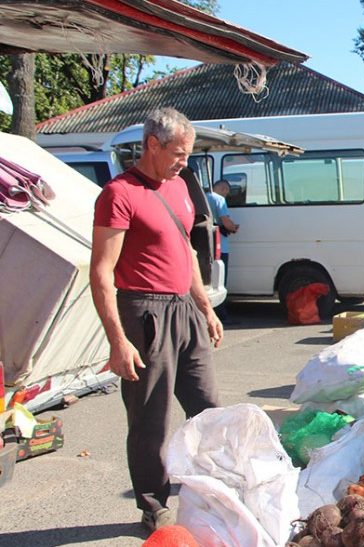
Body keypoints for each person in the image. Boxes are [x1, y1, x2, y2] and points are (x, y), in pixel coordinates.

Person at [90, 107, 223, 532]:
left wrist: (205, 308)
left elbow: (186, 252)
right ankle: (153, 505)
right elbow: (101, 271)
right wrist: (117, 340)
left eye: (187, 153)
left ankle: (217, 487)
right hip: (144, 311)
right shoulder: (119, 193)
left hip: (185, 307)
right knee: (150, 418)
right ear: (152, 144)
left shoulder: (181, 186)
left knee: (208, 408)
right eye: (179, 153)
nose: (185, 160)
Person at [206, 179, 239, 320]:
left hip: (204, 245)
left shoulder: (202, 197)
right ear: (224, 188)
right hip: (220, 246)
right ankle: (221, 315)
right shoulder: (219, 199)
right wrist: (233, 227)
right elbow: (225, 221)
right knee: (220, 281)